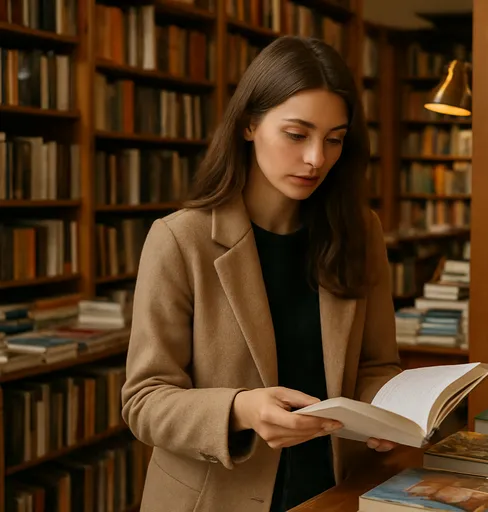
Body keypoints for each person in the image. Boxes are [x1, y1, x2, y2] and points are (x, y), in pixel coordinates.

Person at [121, 35, 402, 512]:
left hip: (334, 488)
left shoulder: (360, 232)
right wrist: (241, 409)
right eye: (297, 135)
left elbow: (376, 366)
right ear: (249, 124)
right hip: (214, 498)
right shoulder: (179, 239)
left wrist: (387, 411)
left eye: (334, 140)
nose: (317, 158)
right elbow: (144, 402)